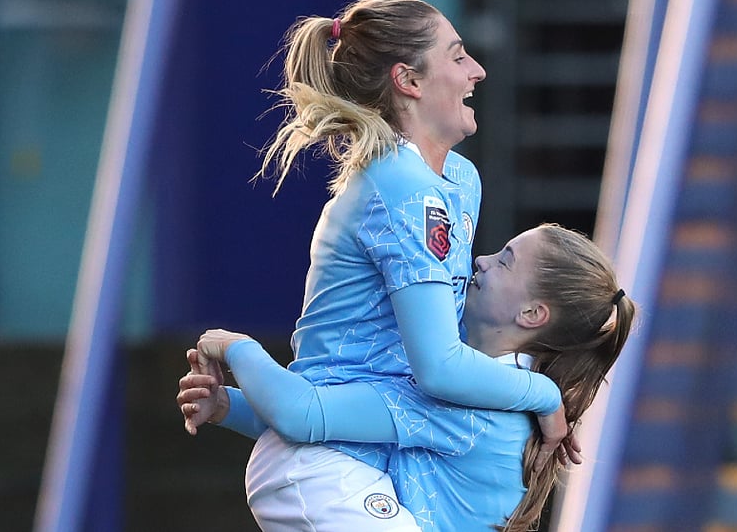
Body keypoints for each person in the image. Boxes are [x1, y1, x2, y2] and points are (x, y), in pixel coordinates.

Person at [190, 0, 568, 530]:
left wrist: (233, 406)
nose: (477, 71)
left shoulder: (458, 181)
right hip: (322, 467)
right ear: (409, 81)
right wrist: (545, 395)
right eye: (458, 56)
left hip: (366, 454)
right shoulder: (403, 187)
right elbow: (436, 369)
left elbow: (401, 375)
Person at [180, 224, 635, 531]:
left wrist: (237, 348)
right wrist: (227, 407)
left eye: (505, 262)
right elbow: (340, 434)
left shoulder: (471, 399)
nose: (481, 260)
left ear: (533, 314)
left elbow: (305, 415)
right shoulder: (483, 382)